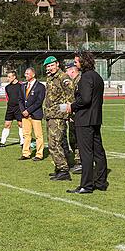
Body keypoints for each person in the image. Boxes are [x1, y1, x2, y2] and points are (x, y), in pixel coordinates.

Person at [62, 51, 108, 195]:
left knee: (86, 154)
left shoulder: (86, 77)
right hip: (95, 119)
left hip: (85, 120)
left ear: (83, 62)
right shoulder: (97, 77)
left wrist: (72, 106)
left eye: (76, 61)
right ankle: (100, 182)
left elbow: (86, 99)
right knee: (98, 151)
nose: (75, 64)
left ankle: (86, 185)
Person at [43, 56, 75, 181]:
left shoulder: (63, 78)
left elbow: (70, 97)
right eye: (48, 66)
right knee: (55, 142)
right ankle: (59, 167)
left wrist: (66, 113)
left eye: (51, 65)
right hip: (51, 115)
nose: (50, 68)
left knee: (55, 143)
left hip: (58, 116)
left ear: (57, 64)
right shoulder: (50, 78)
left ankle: (63, 170)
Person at [19, 67, 46, 161]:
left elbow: (39, 102)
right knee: (26, 135)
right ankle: (26, 153)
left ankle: (39, 154)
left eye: (27, 73)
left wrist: (29, 111)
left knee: (38, 135)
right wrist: (23, 111)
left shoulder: (40, 86)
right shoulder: (23, 86)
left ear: (33, 74)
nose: (25, 75)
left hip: (35, 114)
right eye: (25, 73)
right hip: (25, 115)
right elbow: (20, 100)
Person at [0, 70, 23, 148]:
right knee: (7, 124)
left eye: (9, 77)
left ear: (14, 77)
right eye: (7, 77)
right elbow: (8, 98)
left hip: (19, 108)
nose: (7, 78)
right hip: (10, 108)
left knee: (20, 124)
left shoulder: (21, 86)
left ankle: (22, 142)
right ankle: (2, 142)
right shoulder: (7, 87)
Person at [64, 63, 81, 173]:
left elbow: (77, 100)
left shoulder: (79, 81)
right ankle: (76, 161)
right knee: (73, 139)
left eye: (67, 71)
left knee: (79, 140)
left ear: (72, 71)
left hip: (78, 116)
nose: (66, 74)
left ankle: (80, 162)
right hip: (72, 116)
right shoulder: (72, 82)